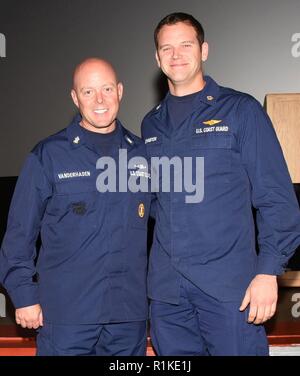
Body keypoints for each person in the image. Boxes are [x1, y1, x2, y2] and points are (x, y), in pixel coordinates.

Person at [142, 12, 300, 356]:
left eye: (186, 44)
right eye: (166, 48)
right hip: (168, 295)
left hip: (230, 291)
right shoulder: (150, 124)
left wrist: (268, 272)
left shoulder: (241, 111)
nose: (176, 54)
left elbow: (276, 199)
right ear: (157, 58)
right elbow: (156, 203)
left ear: (204, 50)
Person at [0, 58, 151, 356]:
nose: (100, 100)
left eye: (107, 89)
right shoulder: (48, 155)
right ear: (75, 97)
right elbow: (19, 234)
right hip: (67, 316)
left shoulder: (143, 154)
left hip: (127, 318)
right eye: (88, 91)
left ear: (120, 91)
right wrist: (24, 294)